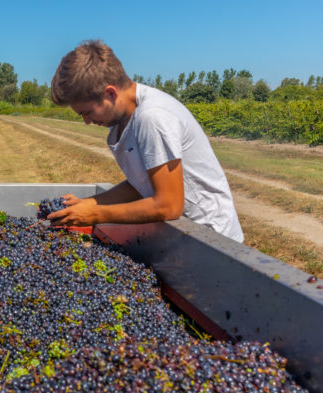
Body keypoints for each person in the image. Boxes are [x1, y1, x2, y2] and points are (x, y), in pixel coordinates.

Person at [48, 40, 244, 243]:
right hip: (182, 233)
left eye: (87, 112)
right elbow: (141, 184)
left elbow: (168, 205)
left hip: (211, 237)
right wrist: (89, 204)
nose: (87, 121)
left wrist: (95, 215)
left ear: (111, 93)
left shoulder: (153, 117)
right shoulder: (123, 121)